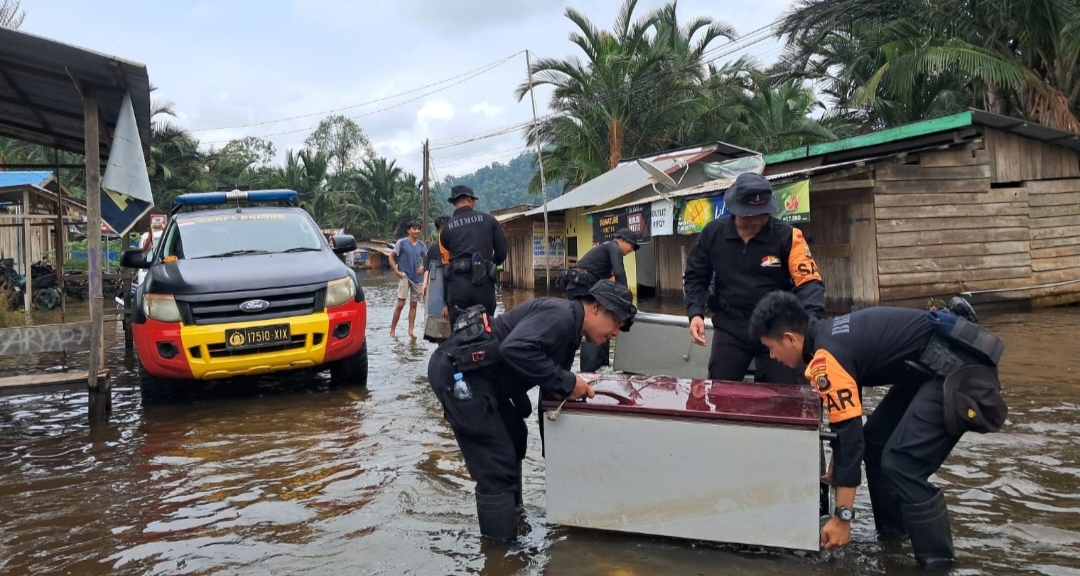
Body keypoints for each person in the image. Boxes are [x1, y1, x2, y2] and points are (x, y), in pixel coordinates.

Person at [749, 291, 1007, 567]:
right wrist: (838, 459)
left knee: (902, 465)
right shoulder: (829, 336)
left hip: (958, 374)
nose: (772, 356)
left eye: (771, 348)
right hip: (931, 367)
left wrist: (842, 517)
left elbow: (849, 436)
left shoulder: (825, 359)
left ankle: (938, 565)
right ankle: (895, 540)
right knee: (876, 442)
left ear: (790, 338)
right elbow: (849, 418)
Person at [427, 280, 637, 541]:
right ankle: (501, 552)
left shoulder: (571, 331)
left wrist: (556, 454)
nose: (616, 332)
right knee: (497, 463)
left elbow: (549, 390)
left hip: (487, 380)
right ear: (595, 307)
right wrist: (569, 381)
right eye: (616, 321)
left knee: (516, 437)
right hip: (459, 375)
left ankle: (514, 521)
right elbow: (514, 348)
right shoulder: (560, 317)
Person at [683, 172, 825, 384]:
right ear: (735, 209)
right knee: (721, 392)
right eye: (750, 215)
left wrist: (809, 325)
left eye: (763, 214)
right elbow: (695, 275)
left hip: (777, 328)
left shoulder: (788, 236)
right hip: (731, 327)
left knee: (786, 397)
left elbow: (809, 283)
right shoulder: (713, 234)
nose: (757, 221)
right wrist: (695, 313)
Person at [557, 227, 644, 372]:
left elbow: (610, 283)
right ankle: (590, 370)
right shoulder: (613, 247)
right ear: (621, 239)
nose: (632, 250)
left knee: (592, 324)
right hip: (580, 285)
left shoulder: (606, 251)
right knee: (592, 323)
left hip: (578, 285)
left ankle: (596, 367)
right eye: (631, 245)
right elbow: (620, 273)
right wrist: (628, 305)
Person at [438, 185, 508, 325]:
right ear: (470, 199)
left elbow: (446, 264)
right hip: (483, 282)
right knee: (486, 327)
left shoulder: (446, 230)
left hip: (458, 286)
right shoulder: (490, 221)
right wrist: (490, 263)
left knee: (460, 330)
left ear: (454, 202)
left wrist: (445, 300)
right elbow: (502, 253)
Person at [389, 221, 426, 338]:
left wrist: (423, 267)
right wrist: (396, 271)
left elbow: (429, 258)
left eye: (418, 229)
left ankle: (410, 331)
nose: (417, 231)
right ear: (408, 230)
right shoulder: (402, 243)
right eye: (414, 229)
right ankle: (392, 331)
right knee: (400, 304)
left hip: (417, 278)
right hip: (404, 275)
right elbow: (391, 256)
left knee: (414, 304)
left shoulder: (421, 245)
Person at [422, 215, 451, 301]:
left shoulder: (455, 246)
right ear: (437, 230)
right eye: (441, 230)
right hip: (437, 283)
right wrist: (424, 284)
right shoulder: (433, 248)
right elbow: (427, 268)